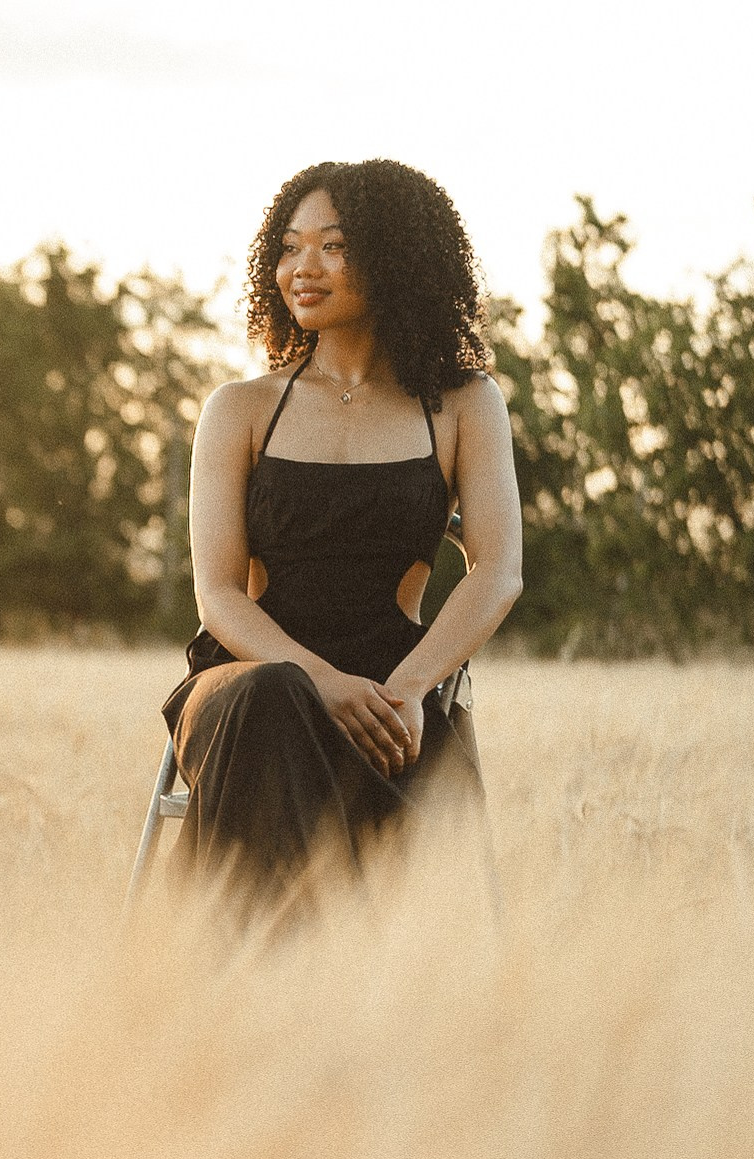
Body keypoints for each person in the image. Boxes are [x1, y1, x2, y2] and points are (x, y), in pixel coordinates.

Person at [165, 159, 524, 912]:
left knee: (357, 732)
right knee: (274, 696)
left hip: (387, 688)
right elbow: (217, 595)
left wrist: (411, 689)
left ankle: (301, 994)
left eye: (331, 246)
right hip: (243, 680)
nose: (302, 268)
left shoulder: (462, 404)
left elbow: (495, 571)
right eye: (289, 248)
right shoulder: (238, 409)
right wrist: (317, 683)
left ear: (396, 257)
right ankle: (250, 991)